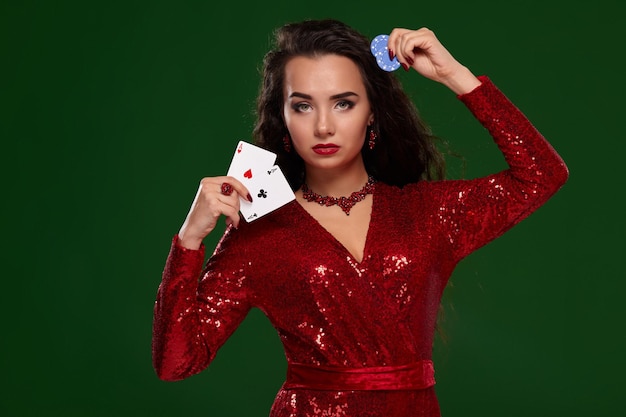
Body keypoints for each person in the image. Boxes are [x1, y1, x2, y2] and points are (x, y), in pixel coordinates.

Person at [152, 19, 568, 416]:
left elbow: (542, 175)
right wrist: (190, 239)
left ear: (372, 113)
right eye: (302, 106)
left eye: (343, 103)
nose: (323, 126)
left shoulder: (430, 213)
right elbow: (177, 362)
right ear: (284, 119)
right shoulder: (260, 229)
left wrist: (455, 75)